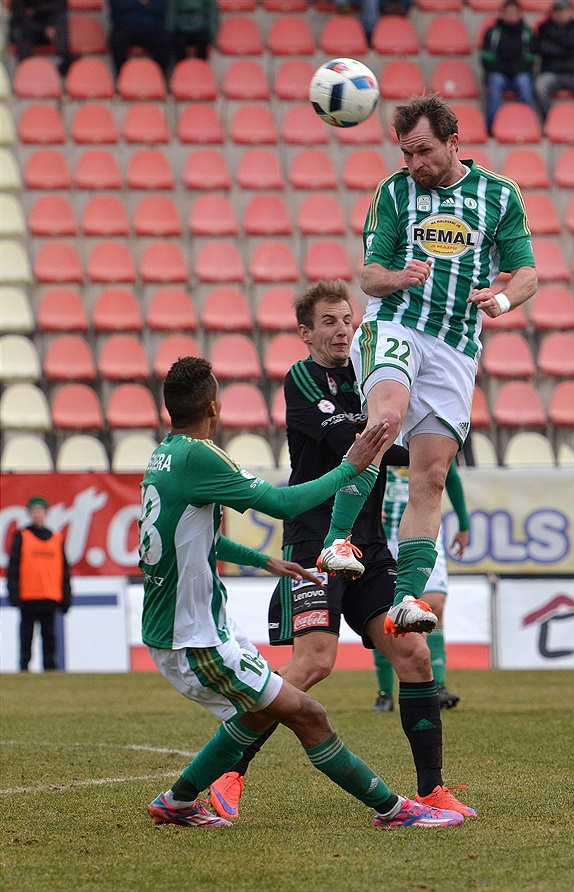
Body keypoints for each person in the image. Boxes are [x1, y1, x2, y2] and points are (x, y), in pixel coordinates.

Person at [140, 355, 464, 829]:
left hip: (189, 630)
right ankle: (395, 811)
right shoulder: (202, 455)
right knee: (308, 711)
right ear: (215, 405)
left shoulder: (163, 455)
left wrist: (262, 559)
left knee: (267, 709)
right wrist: (350, 466)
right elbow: (282, 502)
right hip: (194, 637)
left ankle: (179, 799)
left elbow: (178, 533)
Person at [208, 281, 477, 823]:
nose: (341, 329)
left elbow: (404, 443)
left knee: (414, 655)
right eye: (328, 321)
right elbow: (351, 441)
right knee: (314, 663)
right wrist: (403, 432)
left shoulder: (376, 376)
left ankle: (431, 791)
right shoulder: (302, 380)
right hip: (316, 544)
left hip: (370, 545)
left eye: (347, 319)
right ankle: (226, 774)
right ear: (305, 333)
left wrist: (435, 437)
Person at [316, 92, 537, 642]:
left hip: (457, 344)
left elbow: (527, 272)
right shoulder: (393, 193)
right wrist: (398, 277)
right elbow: (368, 276)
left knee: (432, 474)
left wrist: (502, 302)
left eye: (423, 152)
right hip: (396, 325)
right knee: (385, 420)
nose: (413, 164)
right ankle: (338, 540)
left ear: (452, 142)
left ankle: (408, 598)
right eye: (405, 153)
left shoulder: (499, 194)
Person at [372, 461, 470, 712]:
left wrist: (464, 523)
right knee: (384, 610)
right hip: (383, 536)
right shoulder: (378, 425)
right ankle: (384, 692)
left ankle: (437, 685)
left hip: (426, 533)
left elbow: (451, 475)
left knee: (434, 605)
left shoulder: (430, 427)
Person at [7, 496, 71, 672]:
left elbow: (64, 570)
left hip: (50, 595)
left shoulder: (56, 538)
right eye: (34, 511)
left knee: (49, 636)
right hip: (28, 595)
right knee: (26, 635)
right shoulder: (22, 536)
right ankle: (24, 666)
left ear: (46, 514)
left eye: (40, 511)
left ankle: (50, 668)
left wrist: (66, 596)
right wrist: (13, 592)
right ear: (29, 514)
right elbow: (13, 567)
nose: (38, 515)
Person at [480, 0, 537, 135]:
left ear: (519, 14)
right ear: (501, 14)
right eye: (507, 12)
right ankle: (491, 128)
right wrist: (505, 68)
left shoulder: (527, 33)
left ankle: (530, 125)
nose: (510, 15)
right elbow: (486, 58)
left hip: (519, 73)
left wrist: (513, 68)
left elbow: (530, 59)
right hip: (498, 73)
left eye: (513, 12)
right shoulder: (493, 32)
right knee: (495, 83)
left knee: (525, 84)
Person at [10, 0, 74, 76]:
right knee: (23, 30)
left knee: (61, 18)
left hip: (49, 28)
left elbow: (61, 4)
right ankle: (26, 68)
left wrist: (36, 10)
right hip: (29, 29)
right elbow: (19, 16)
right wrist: (43, 30)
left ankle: (62, 58)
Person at [107, 0, 170, 76]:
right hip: (124, 28)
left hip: (152, 29)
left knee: (164, 41)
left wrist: (132, 7)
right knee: (117, 41)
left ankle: (158, 77)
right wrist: (139, 2)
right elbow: (118, 6)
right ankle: (122, 77)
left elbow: (159, 8)